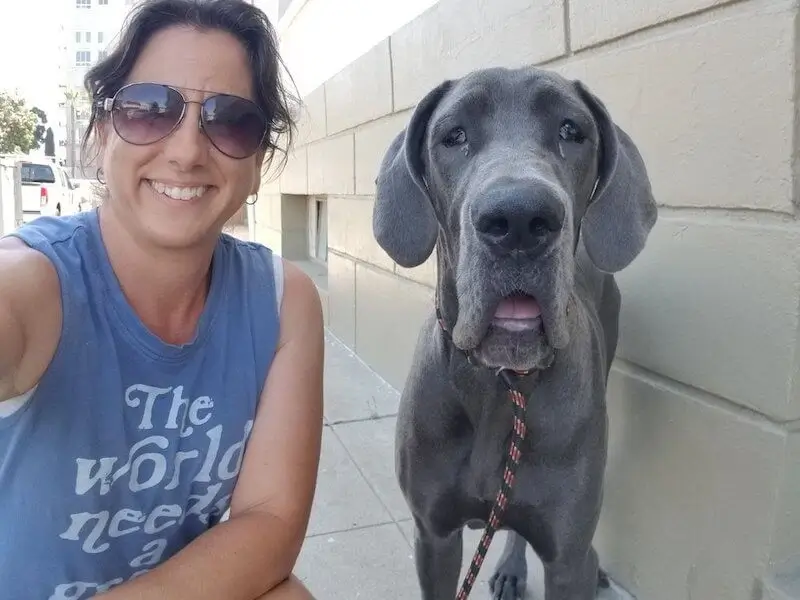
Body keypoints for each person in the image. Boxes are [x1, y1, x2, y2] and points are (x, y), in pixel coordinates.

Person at [0, 0, 324, 598]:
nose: (186, 151)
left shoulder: (281, 303)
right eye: (148, 110)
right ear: (101, 134)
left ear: (258, 162)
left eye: (229, 121)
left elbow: (271, 523)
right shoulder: (37, 281)